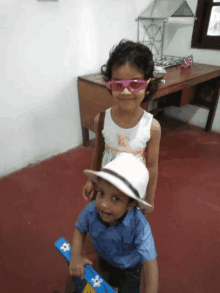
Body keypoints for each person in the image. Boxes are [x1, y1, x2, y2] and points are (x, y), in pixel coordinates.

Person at [83, 39, 161, 217]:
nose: (126, 92)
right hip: (107, 186)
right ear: (109, 84)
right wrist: (92, 181)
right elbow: (98, 151)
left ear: (148, 84)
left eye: (135, 84)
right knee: (104, 219)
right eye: (118, 84)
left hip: (133, 188)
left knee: (128, 225)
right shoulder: (101, 119)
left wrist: (150, 198)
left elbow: (152, 167)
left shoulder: (152, 127)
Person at [69, 153, 159, 293]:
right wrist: (75, 256)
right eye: (101, 193)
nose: (104, 205)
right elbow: (80, 228)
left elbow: (150, 266)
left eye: (116, 199)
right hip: (104, 259)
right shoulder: (91, 210)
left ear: (131, 204)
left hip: (130, 269)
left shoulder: (140, 226)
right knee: (105, 285)